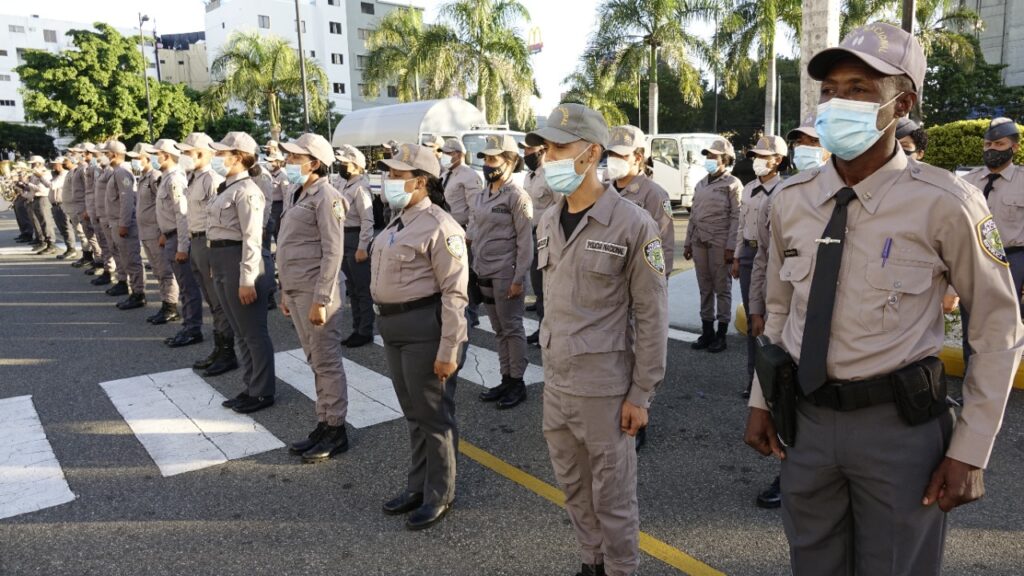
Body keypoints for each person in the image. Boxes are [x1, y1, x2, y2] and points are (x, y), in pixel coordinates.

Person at [743, 23, 1024, 576]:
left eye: (859, 88)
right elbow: (780, 311)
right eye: (830, 90)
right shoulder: (792, 202)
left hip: (900, 431)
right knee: (813, 563)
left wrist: (971, 448)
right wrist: (760, 400)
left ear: (903, 103)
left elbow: (996, 327)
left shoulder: (948, 202)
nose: (837, 102)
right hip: (807, 421)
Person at [528, 103, 668, 576]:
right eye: (545, 148)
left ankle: (620, 568)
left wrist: (641, 393)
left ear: (589, 155)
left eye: (558, 148)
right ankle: (591, 562)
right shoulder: (548, 219)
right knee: (573, 487)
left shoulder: (632, 224)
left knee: (613, 496)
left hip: (606, 389)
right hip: (558, 383)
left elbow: (651, 314)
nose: (547, 157)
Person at [372, 143, 467, 531]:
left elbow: (456, 293)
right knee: (413, 414)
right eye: (389, 174)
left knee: (434, 415)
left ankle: (440, 493)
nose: (389, 181)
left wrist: (449, 349)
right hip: (393, 328)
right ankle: (417, 485)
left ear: (421, 182)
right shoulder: (399, 220)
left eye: (397, 175)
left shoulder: (443, 226)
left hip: (424, 330)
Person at [745, 117, 829, 510]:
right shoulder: (788, 200)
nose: (805, 149)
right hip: (797, 341)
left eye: (813, 141)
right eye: (801, 142)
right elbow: (765, 259)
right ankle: (788, 473)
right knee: (792, 413)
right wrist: (758, 307)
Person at [278, 133, 350, 462]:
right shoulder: (298, 192)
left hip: (317, 291)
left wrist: (322, 299)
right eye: (290, 157)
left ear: (315, 163)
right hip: (297, 289)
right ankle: (324, 421)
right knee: (314, 361)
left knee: (326, 361)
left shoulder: (327, 197)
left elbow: (333, 252)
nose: (290, 163)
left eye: (295, 158)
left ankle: (336, 429)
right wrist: (284, 290)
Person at [208, 131, 276, 414]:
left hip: (241, 262)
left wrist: (247, 279)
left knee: (253, 333)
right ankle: (250, 386)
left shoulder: (248, 191)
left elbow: (252, 238)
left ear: (237, 158)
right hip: (223, 260)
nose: (216, 158)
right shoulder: (226, 187)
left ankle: (262, 392)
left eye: (221, 154)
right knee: (239, 332)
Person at [469, 134, 534, 410]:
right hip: (484, 272)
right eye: (485, 158)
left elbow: (525, 242)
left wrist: (519, 278)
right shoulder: (483, 194)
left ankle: (517, 382)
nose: (487, 163)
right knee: (498, 329)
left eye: (494, 158)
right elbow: (474, 232)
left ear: (510, 162)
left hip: (507, 273)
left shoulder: (517, 197)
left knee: (512, 328)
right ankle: (505, 378)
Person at [960, 117, 1024, 367]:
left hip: (1014, 261)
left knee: (1005, 329)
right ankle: (971, 386)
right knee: (972, 327)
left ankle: (996, 392)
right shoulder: (967, 182)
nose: (991, 149)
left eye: (999, 143)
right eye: (987, 144)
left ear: (1014, 147)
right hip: (974, 259)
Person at [179, 132, 238, 376]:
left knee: (219, 300)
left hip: (208, 242)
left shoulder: (212, 179)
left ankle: (227, 352)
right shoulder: (194, 178)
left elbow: (217, 219)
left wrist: (213, 254)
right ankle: (219, 347)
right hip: (196, 241)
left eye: (187, 152)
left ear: (202, 153)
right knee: (211, 300)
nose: (184, 156)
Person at [733, 135, 787, 392]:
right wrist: (736, 256)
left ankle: (773, 379)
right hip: (747, 256)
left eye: (763, 157)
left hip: (772, 259)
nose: (758, 162)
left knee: (772, 318)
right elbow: (742, 225)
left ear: (777, 160)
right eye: (756, 157)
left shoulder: (783, 191)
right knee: (752, 319)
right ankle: (752, 378)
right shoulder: (748, 188)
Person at [684, 138, 742, 352]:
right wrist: (688, 242)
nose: (709, 160)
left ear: (725, 160)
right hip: (699, 243)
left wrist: (731, 247)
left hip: (720, 244)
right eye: (707, 156)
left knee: (722, 289)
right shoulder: (701, 184)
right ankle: (706, 332)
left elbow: (737, 217)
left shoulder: (733, 184)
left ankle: (721, 334)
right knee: (704, 288)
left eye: (714, 156)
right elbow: (693, 216)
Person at [154, 139, 205, 347]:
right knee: (184, 286)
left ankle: (192, 329)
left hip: (179, 238)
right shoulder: (167, 178)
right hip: (171, 236)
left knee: (187, 287)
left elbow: (182, 215)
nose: (153, 158)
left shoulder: (175, 179)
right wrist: (165, 234)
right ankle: (188, 325)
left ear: (165, 155)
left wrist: (183, 247)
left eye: (156, 154)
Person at [606, 125, 675, 276]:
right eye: (611, 154)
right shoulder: (604, 191)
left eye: (620, 155)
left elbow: (664, 243)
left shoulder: (654, 194)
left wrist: (661, 280)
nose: (613, 159)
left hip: (639, 276)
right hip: (608, 279)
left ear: (638, 158)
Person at [330, 144, 375, 348]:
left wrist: (363, 246)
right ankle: (357, 327)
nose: (341, 166)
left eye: (345, 163)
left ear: (356, 166)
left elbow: (368, 220)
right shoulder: (343, 184)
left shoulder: (360, 188)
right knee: (352, 288)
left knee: (362, 289)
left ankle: (365, 330)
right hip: (342, 237)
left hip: (355, 238)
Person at [129, 143, 178, 323]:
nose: (134, 162)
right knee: (157, 271)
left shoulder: (155, 177)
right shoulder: (143, 177)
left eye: (137, 159)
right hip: (146, 231)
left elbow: (165, 207)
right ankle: (165, 303)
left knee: (165, 271)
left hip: (157, 232)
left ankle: (171, 305)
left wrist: (164, 232)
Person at [440, 137, 484, 328]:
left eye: (448, 153)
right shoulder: (445, 175)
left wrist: (470, 235)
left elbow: (475, 208)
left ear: (459, 154)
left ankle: (471, 313)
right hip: (445, 230)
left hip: (462, 231)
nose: (445, 157)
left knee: (466, 275)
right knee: (449, 274)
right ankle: (455, 309)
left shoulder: (469, 176)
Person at [104, 140, 147, 310]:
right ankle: (132, 290)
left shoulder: (122, 173)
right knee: (125, 258)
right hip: (114, 222)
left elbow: (127, 200)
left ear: (113, 155)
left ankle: (138, 294)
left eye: (106, 153)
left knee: (131, 259)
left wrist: (124, 223)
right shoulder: (115, 172)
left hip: (123, 224)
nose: (104, 156)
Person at [521, 140, 556, 345]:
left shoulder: (552, 176)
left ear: (542, 150)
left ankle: (552, 332)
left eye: (529, 149)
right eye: (524, 149)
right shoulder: (529, 176)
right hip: (531, 238)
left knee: (550, 289)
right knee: (539, 289)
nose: (525, 153)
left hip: (548, 239)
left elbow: (562, 206)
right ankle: (543, 329)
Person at [67, 145, 101, 268]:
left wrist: (88, 209)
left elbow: (90, 190)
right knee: (88, 235)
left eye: (75, 152)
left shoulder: (86, 169)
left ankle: (99, 262)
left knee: (93, 237)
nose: (72, 154)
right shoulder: (79, 168)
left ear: (86, 153)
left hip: (85, 206)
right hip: (79, 206)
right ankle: (97, 260)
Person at [49, 156, 80, 261]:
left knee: (66, 227)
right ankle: (68, 248)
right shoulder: (56, 175)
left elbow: (52, 185)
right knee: (62, 228)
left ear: (60, 164)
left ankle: (71, 248)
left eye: (55, 164)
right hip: (55, 205)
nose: (53, 166)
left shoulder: (64, 175)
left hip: (62, 204)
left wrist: (40, 176)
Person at [26, 155, 57, 255]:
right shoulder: (35, 174)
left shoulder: (44, 173)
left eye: (33, 164)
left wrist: (27, 184)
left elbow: (41, 188)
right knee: (41, 223)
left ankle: (51, 244)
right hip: (36, 198)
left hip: (43, 198)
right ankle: (45, 242)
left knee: (46, 222)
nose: (32, 166)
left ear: (39, 163)